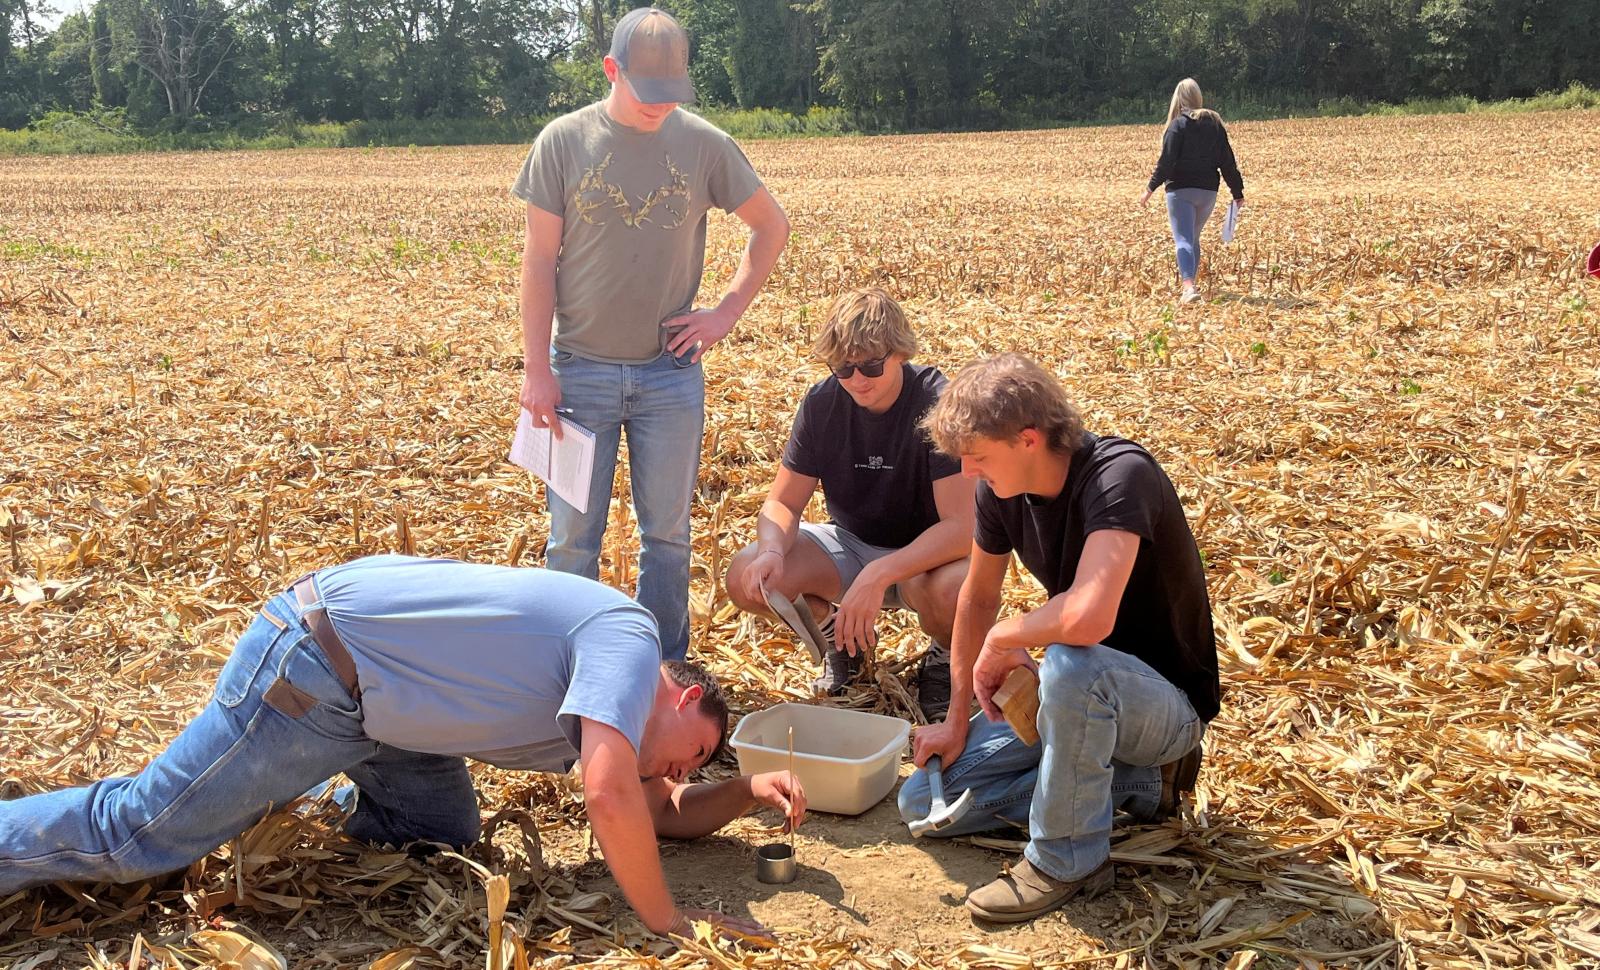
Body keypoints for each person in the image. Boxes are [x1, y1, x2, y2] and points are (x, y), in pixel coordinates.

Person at [0, 555, 806, 940]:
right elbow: (611, 796)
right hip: (316, 671)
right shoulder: (630, 641)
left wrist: (741, 792)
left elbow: (654, 813)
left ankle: (248, 787)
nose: (676, 774)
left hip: (384, 710)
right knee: (144, 834)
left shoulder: (622, 704)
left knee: (442, 828)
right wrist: (665, 917)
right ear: (685, 692)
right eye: (694, 756)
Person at [899, 354, 1220, 924]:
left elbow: (1090, 617)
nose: (968, 472)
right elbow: (977, 597)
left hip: (1163, 707)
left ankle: (1066, 859)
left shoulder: (1120, 475)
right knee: (923, 801)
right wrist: (953, 718)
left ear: (1027, 439)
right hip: (1080, 704)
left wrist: (1004, 637)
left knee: (1072, 663)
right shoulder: (998, 491)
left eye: (978, 457)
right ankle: (1142, 785)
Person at [512, 7, 790, 663]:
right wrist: (537, 372)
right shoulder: (562, 141)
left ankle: (666, 671)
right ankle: (568, 668)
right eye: (648, 92)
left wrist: (724, 313)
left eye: (673, 94)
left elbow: (770, 227)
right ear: (612, 70)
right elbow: (536, 261)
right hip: (578, 371)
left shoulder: (705, 144)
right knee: (572, 539)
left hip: (669, 377)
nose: (662, 107)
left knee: (666, 535)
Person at [722, 288, 972, 720]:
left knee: (952, 590)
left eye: (871, 366)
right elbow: (782, 502)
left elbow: (962, 526)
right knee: (747, 574)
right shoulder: (822, 403)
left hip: (929, 557)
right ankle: (841, 641)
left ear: (899, 353)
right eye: (843, 368)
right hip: (851, 543)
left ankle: (943, 657)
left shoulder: (936, 403)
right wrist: (771, 551)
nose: (857, 379)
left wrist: (881, 573)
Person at [1140, 78, 1245, 304]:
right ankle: (1192, 284)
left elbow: (1166, 161)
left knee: (1183, 240)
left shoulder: (1177, 125)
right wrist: (1237, 192)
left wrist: (1150, 187)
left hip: (1181, 191)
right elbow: (1227, 161)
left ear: (1178, 99)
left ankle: (1188, 288)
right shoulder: (1215, 124)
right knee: (1193, 238)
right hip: (1208, 192)